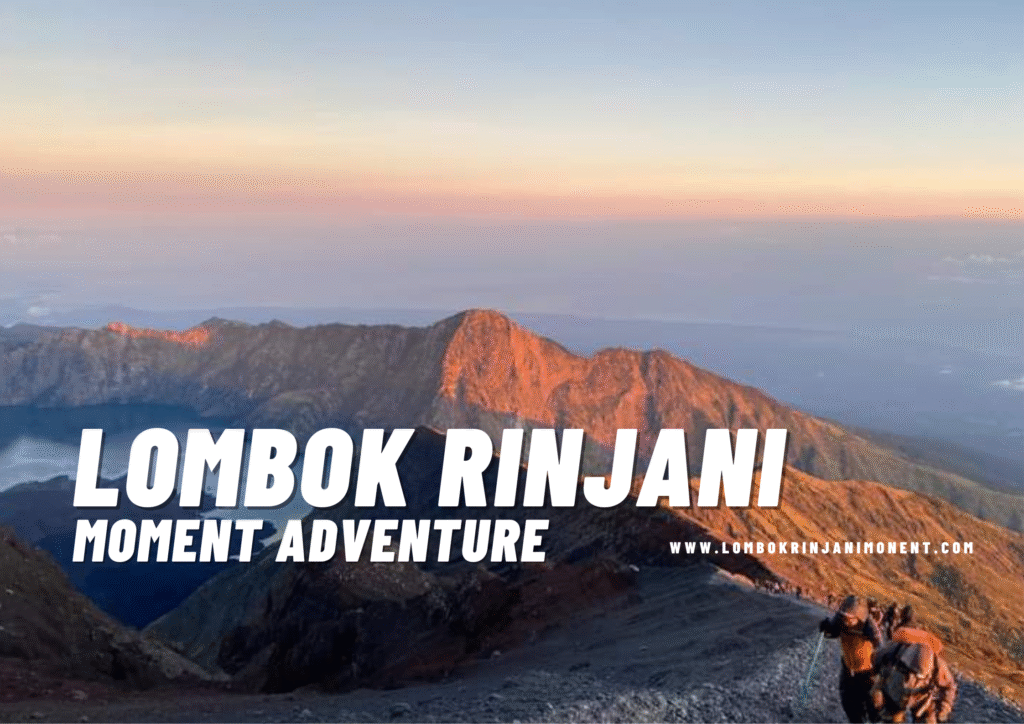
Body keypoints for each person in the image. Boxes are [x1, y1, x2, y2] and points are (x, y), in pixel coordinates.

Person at [820, 595, 884, 722]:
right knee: (849, 704)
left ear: (859, 616)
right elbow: (832, 631)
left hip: (868, 673)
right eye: (844, 616)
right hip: (848, 670)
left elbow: (881, 647)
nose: (846, 620)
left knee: (873, 709)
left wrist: (879, 675)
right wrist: (826, 627)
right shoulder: (840, 620)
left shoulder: (868, 625)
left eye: (849, 618)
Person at [870, 640, 956, 723]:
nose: (916, 677)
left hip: (921, 701)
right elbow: (875, 661)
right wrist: (877, 688)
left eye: (922, 676)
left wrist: (945, 706)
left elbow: (949, 686)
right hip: (893, 696)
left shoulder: (937, 665)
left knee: (930, 721)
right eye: (914, 672)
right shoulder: (895, 652)